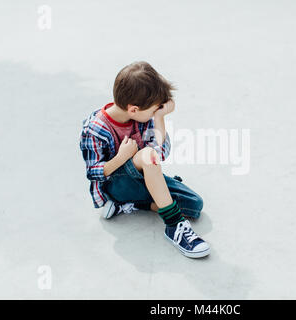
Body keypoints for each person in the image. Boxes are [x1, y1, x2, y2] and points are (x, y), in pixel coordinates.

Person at [79, 61, 210, 258]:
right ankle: (174, 226)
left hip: (143, 176)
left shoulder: (142, 116)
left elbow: (161, 152)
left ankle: (133, 205)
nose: (153, 114)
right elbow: (93, 172)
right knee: (147, 156)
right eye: (152, 111)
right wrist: (122, 157)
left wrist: (159, 117)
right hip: (115, 185)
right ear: (133, 110)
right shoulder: (95, 128)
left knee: (194, 204)